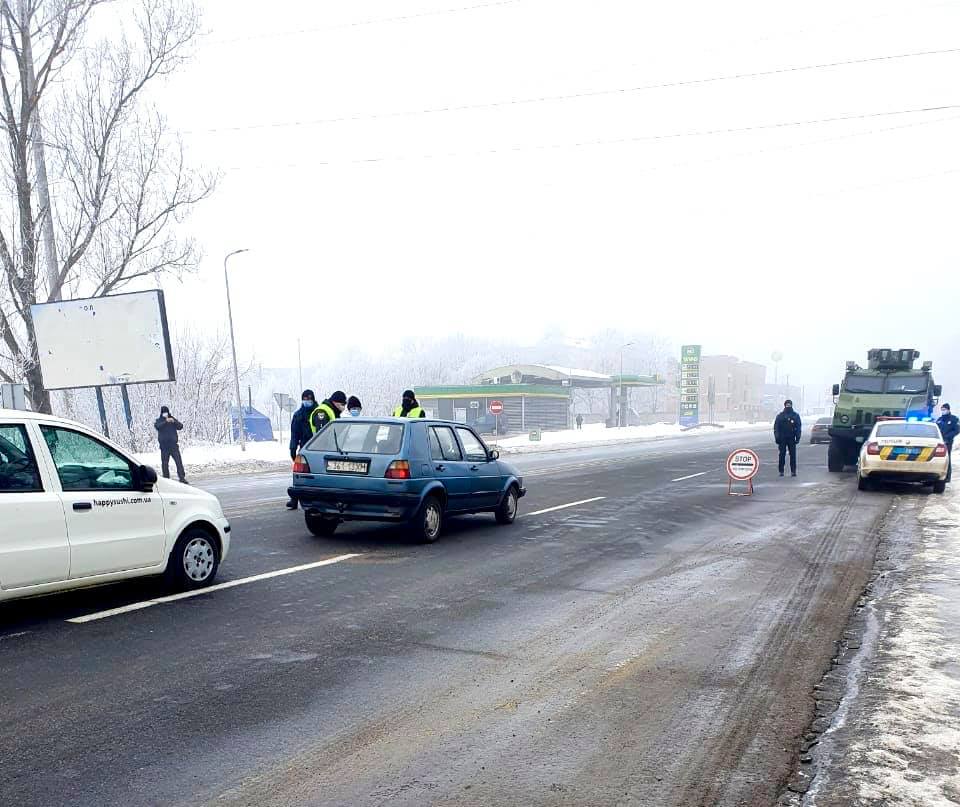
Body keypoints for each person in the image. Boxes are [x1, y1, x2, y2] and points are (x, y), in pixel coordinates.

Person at [287, 390, 320, 509]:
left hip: (319, 447)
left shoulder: (319, 413)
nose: (306, 401)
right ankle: (294, 498)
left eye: (309, 399)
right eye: (304, 399)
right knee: (300, 474)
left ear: (313, 400)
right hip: (305, 447)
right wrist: (292, 447)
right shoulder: (298, 415)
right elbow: (294, 433)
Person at [154, 406, 187, 484]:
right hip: (164, 446)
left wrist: (174, 421)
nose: (165, 414)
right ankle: (166, 479)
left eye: (166, 412)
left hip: (173, 445)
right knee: (165, 463)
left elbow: (180, 426)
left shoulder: (172, 419)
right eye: (164, 412)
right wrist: (166, 421)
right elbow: (157, 426)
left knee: (178, 462)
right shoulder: (159, 420)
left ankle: (182, 477)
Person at [773, 399, 802, 477]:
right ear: (785, 405)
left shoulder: (795, 415)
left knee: (793, 455)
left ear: (791, 405)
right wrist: (777, 437)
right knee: (782, 455)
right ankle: (781, 471)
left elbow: (798, 427)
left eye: (789, 404)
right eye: (787, 404)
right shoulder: (780, 416)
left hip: (791, 438)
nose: (788, 406)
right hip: (782, 438)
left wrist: (798, 437)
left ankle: (793, 471)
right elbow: (776, 427)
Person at [937, 402, 959, 483]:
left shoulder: (954, 419)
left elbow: (956, 430)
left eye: (944, 409)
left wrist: (947, 437)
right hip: (939, 442)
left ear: (948, 410)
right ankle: (940, 475)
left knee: (947, 459)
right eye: (942, 410)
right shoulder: (939, 420)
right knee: (939, 459)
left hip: (948, 442)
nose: (943, 411)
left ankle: (947, 477)